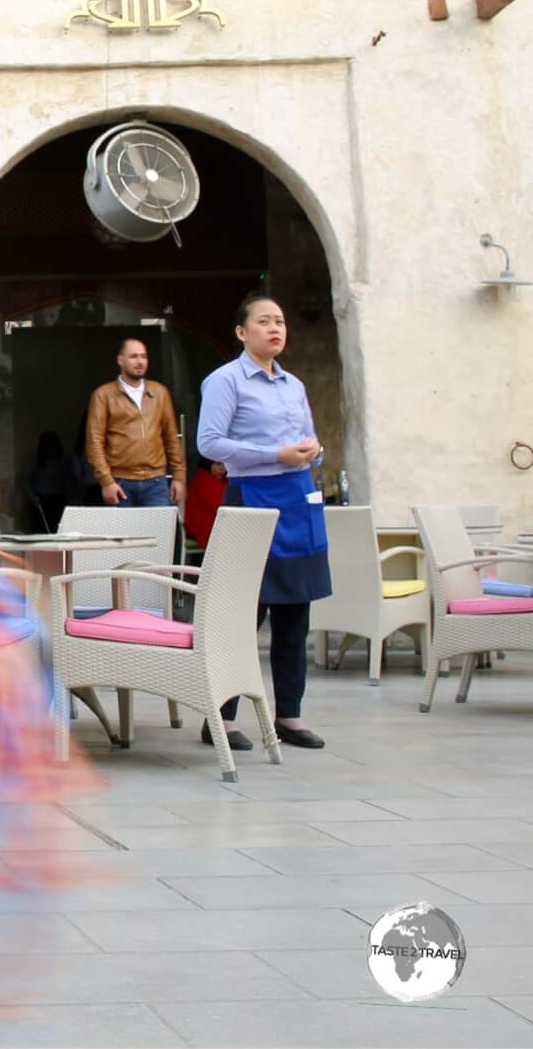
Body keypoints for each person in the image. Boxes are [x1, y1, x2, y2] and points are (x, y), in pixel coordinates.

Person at [196, 293, 331, 752]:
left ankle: (289, 716)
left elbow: (308, 438)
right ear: (241, 331)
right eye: (264, 321)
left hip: (298, 497)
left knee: (297, 611)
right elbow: (210, 443)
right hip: (251, 498)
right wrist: (274, 455)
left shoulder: (293, 384)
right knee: (242, 612)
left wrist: (314, 451)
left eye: (281, 321)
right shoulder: (226, 380)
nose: (275, 328)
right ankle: (222, 716)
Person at [84, 337, 187, 509]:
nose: (140, 362)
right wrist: (106, 481)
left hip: (156, 481)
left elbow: (171, 437)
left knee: (158, 534)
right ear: (120, 360)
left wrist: (179, 476)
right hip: (120, 481)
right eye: (134, 356)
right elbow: (94, 442)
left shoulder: (159, 392)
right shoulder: (104, 395)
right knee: (124, 535)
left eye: (144, 356)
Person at [26, 430, 71, 532]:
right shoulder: (35, 460)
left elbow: (66, 481)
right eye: (48, 446)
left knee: (57, 527)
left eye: (53, 446)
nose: (51, 449)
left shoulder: (62, 461)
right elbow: (25, 480)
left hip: (58, 499)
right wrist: (31, 496)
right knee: (40, 528)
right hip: (40, 500)